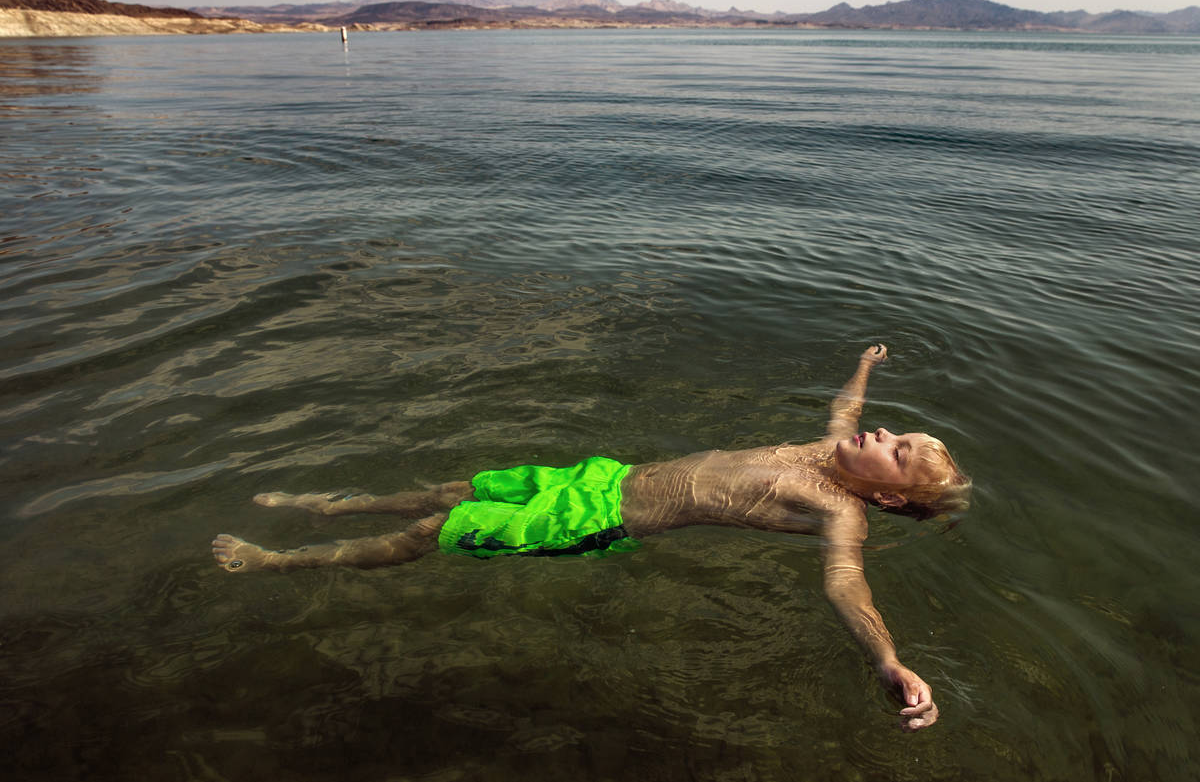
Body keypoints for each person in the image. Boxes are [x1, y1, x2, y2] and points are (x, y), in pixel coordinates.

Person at [212, 343, 969, 730]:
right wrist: (865, 363)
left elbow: (846, 581)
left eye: (896, 449)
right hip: (601, 476)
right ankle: (337, 508)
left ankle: (276, 561)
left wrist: (888, 658)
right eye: (898, 431)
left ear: (889, 493)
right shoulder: (828, 446)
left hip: (598, 519)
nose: (885, 432)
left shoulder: (841, 508)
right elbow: (847, 405)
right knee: (460, 489)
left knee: (437, 529)